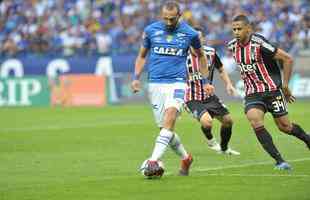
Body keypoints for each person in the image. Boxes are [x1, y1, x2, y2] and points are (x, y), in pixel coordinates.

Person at [131, 1, 209, 176]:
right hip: (155, 84)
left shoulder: (190, 33)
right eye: (165, 18)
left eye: (172, 19)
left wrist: (206, 81)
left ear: (179, 16)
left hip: (177, 82)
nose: (168, 22)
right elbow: (141, 56)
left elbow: (201, 56)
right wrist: (136, 78)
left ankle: (152, 161)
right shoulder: (151, 30)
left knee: (171, 116)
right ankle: (186, 157)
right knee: (165, 130)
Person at [227, 14, 310, 170]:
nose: (236, 32)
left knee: (285, 127)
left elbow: (288, 59)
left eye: (239, 29)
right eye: (234, 29)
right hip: (253, 93)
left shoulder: (259, 43)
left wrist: (285, 85)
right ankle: (280, 161)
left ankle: (307, 139)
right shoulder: (232, 46)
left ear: (248, 29)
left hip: (272, 91)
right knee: (254, 120)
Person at [185, 26, 240, 155]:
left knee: (228, 121)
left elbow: (221, 69)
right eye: (194, 38)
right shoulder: (182, 56)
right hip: (191, 98)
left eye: (199, 37)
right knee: (207, 122)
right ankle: (211, 141)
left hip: (209, 95)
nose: (197, 40)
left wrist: (229, 84)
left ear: (203, 39)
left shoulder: (210, 52)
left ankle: (224, 148)